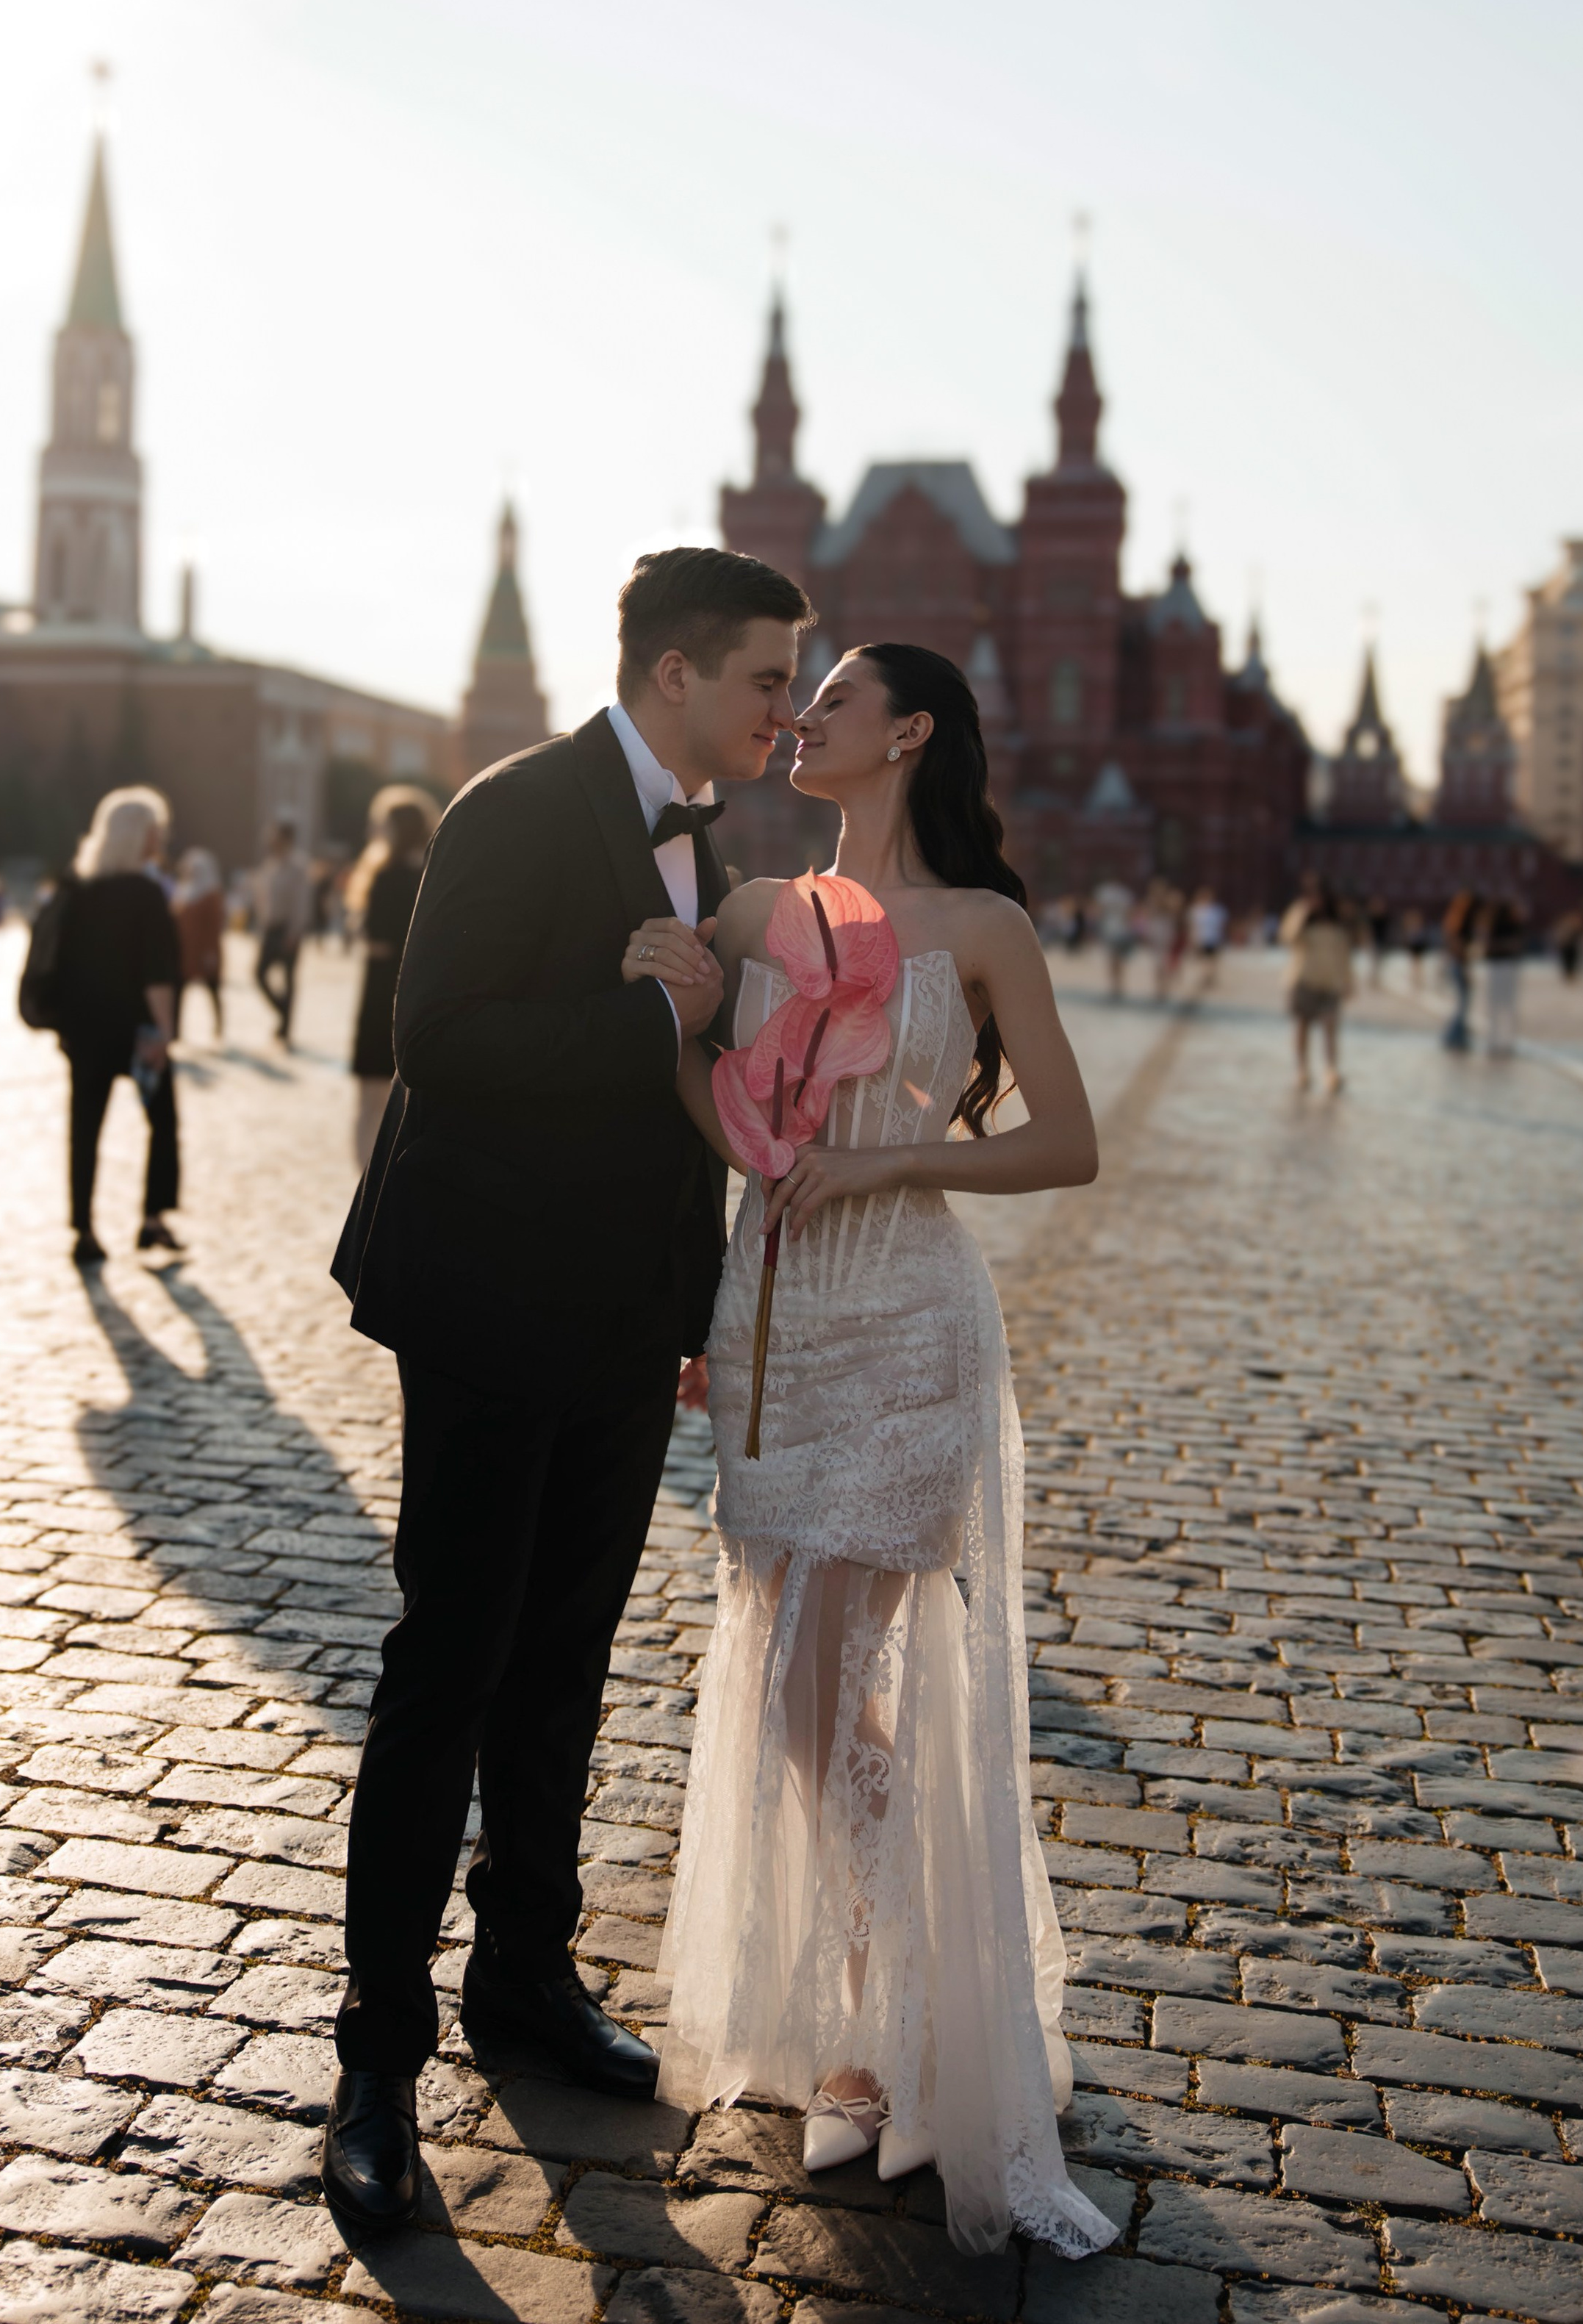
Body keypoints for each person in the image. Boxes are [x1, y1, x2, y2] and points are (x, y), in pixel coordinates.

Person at [322, 546, 810, 2240]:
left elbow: (676, 1101)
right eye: (764, 676)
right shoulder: (512, 807)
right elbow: (442, 1038)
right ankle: (375, 2057)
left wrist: (691, 1309)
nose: (785, 708)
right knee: (444, 1667)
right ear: (673, 673)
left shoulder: (707, 836)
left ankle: (523, 1972)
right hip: (480, 1299)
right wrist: (643, 1008)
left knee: (565, 1667)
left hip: (613, 1321)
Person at [642, 642, 1110, 2262]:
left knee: (826, 1670)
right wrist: (698, 1037)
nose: (804, 715)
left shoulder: (981, 929)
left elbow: (1065, 1138)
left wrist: (896, 1157)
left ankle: (884, 2030)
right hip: (777, 1322)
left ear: (906, 732)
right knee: (794, 1685)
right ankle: (892, 1999)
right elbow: (735, 1135)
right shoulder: (750, 907)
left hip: (911, 1322)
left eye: (835, 695)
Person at [59, 786, 184, 1268]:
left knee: (85, 1129)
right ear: (140, 836)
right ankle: (152, 1219)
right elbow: (157, 973)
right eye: (158, 830)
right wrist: (166, 1030)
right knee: (162, 1121)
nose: (163, 838)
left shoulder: (79, 891)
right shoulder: (147, 893)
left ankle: (84, 1229)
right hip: (139, 1034)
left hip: (85, 1030)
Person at [346, 786, 442, 1172]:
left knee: (368, 1100)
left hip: (379, 992)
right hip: (416, 993)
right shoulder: (429, 874)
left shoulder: (385, 875)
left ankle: (364, 1184)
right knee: (402, 1099)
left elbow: (378, 942)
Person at [1279, 872, 1352, 1094]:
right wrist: (1303, 914)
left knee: (1330, 1026)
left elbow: (1344, 954)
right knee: (1303, 1027)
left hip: (1330, 983)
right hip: (1304, 980)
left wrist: (1349, 981)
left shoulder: (1336, 921)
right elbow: (1287, 938)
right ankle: (1302, 1070)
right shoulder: (1300, 914)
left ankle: (1330, 1070)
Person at [252, 819, 312, 1045]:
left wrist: (295, 932)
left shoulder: (297, 866)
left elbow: (301, 902)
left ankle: (286, 1027)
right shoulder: (270, 865)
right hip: (270, 927)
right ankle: (283, 1012)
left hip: (287, 928)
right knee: (259, 974)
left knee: (289, 979)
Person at [173, 849, 226, 1044]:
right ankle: (175, 1029)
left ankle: (219, 1026)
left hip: (204, 951)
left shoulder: (212, 894)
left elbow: (215, 927)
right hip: (186, 952)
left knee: (213, 989)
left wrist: (210, 953)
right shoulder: (184, 891)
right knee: (179, 990)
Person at [1482, 896, 1525, 1058]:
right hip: (1502, 967)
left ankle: (1503, 1040)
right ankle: (1498, 1040)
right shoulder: (1502, 925)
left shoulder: (1512, 925)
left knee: (1503, 1006)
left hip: (1503, 967)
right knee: (1501, 1005)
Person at [1440, 889, 1477, 1052]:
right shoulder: (1461, 923)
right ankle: (1454, 1036)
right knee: (1463, 1002)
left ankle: (1456, 1035)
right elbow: (1457, 946)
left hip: (1457, 964)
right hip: (1459, 965)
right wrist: (1465, 969)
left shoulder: (1455, 920)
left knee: (1463, 1002)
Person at [1094, 878, 1135, 999]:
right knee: (1119, 961)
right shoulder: (1125, 894)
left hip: (1110, 930)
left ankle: (1115, 986)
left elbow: (1098, 912)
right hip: (1122, 930)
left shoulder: (1105, 893)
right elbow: (1130, 915)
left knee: (1112, 960)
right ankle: (1118, 986)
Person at [1188, 884, 1227, 990]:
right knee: (1204, 960)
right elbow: (1193, 926)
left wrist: (1222, 938)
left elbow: (1222, 926)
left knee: (1212, 960)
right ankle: (1206, 977)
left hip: (1214, 939)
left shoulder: (1217, 910)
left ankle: (1210, 978)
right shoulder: (1196, 910)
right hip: (1202, 939)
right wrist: (1193, 939)